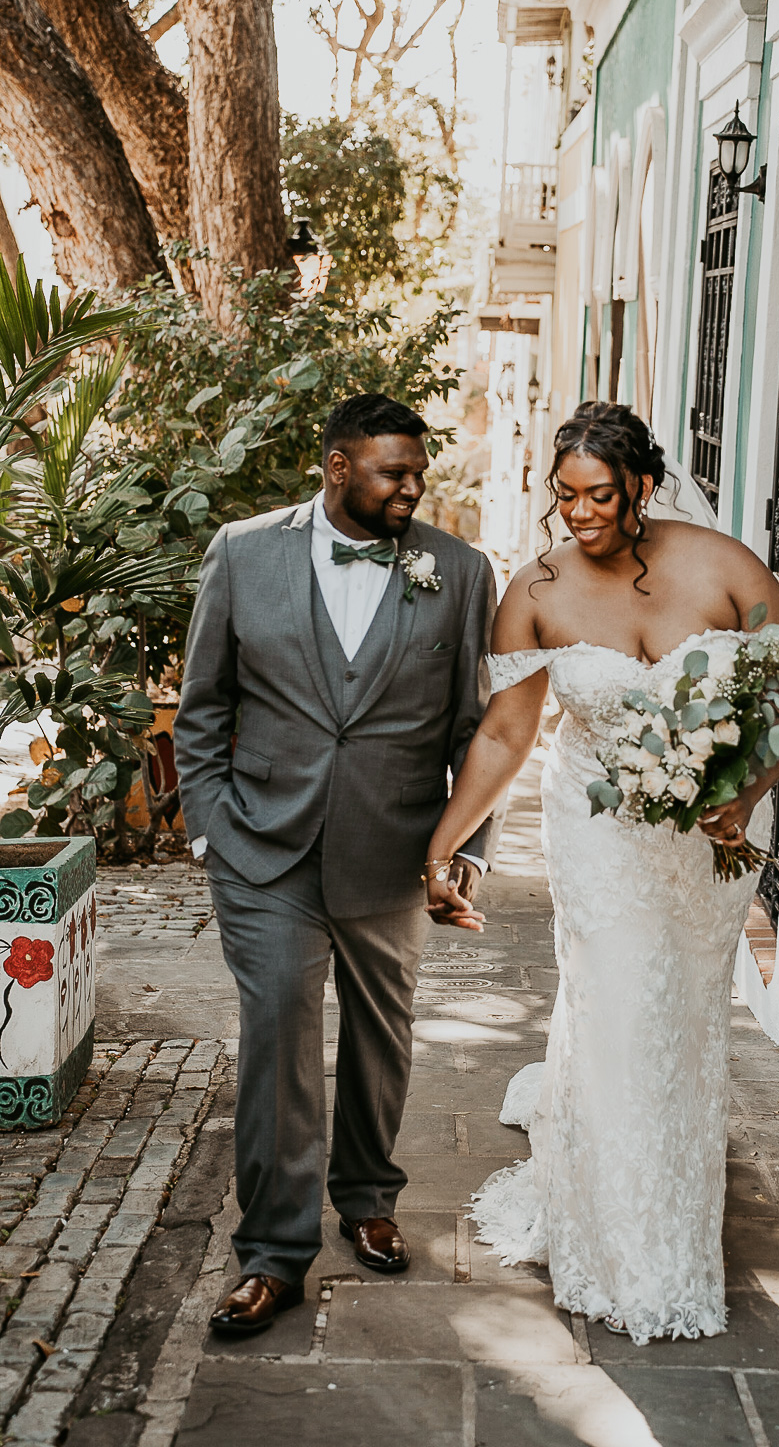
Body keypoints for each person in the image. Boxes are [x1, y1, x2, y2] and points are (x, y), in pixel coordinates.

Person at [423, 400, 779, 1344]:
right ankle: (634, 1255)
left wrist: (743, 794)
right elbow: (509, 733)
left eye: (599, 495)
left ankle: (667, 1187)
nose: (580, 514)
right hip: (599, 841)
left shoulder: (723, 568)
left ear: (642, 488)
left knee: (681, 1020)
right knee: (623, 1006)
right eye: (566, 496)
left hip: (706, 849)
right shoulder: (538, 589)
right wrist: (446, 842)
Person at [174, 393, 498, 1337]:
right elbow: (201, 706)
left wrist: (464, 850)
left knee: (379, 1036)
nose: (412, 486)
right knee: (277, 1030)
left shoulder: (460, 570)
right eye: (392, 472)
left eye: (418, 472)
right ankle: (273, 1254)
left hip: (394, 850)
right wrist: (210, 831)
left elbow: (475, 730)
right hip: (262, 849)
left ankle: (366, 1195)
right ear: (336, 465)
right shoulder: (243, 551)